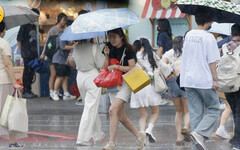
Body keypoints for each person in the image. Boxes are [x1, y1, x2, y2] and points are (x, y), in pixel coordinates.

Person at [180, 8, 220, 150]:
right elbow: (212, 61)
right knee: (214, 109)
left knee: (196, 113)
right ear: (208, 21)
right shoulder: (209, 37)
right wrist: (215, 79)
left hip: (188, 79)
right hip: (204, 79)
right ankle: (199, 133)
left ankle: (195, 146)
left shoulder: (189, 35)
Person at [102, 28, 145, 150]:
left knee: (112, 110)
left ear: (121, 36)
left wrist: (117, 66)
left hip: (125, 82)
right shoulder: (108, 47)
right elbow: (105, 68)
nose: (111, 39)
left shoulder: (129, 49)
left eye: (114, 36)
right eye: (109, 37)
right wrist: (106, 55)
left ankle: (111, 143)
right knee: (121, 117)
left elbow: (132, 68)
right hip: (113, 83)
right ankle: (139, 136)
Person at [72, 36, 105, 145]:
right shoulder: (94, 47)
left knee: (90, 106)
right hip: (92, 76)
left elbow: (73, 62)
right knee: (90, 107)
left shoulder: (76, 48)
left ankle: (97, 135)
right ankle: (82, 138)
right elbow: (101, 64)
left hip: (80, 76)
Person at [130, 38, 162, 143]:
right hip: (150, 86)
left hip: (138, 86)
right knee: (155, 112)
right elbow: (161, 66)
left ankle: (142, 136)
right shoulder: (151, 55)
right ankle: (149, 130)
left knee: (143, 115)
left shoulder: (133, 56)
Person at [0, 21, 26, 149]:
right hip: (3, 81)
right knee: (8, 111)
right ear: (3, 30)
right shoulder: (3, 43)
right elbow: (7, 64)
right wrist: (15, 82)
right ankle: (12, 141)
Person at [162, 36, 190, 145]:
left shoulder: (170, 53)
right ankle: (186, 127)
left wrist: (170, 71)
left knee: (178, 111)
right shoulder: (187, 52)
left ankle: (179, 137)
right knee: (187, 110)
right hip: (185, 81)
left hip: (173, 81)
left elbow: (162, 64)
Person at [40, 13, 67, 99]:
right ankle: (51, 91)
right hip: (52, 54)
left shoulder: (65, 29)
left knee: (60, 74)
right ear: (59, 19)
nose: (65, 22)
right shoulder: (53, 30)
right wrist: (43, 53)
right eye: (64, 20)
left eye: (65, 20)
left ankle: (57, 91)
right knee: (53, 73)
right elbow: (46, 42)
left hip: (61, 56)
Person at [222, 23, 240, 150]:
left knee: (235, 111)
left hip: (227, 84)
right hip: (239, 83)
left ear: (231, 34)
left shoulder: (225, 46)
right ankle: (237, 142)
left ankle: (235, 138)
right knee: (239, 113)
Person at [51, 19, 76, 101]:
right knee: (60, 77)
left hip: (64, 60)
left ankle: (66, 93)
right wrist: (73, 46)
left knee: (65, 76)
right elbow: (63, 47)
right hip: (59, 59)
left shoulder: (67, 35)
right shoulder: (62, 35)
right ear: (66, 26)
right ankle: (55, 93)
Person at [17, 8, 39, 99]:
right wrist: (22, 52)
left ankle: (29, 90)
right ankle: (26, 91)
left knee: (31, 73)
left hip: (33, 53)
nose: (37, 18)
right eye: (36, 16)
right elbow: (19, 40)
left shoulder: (34, 26)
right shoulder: (24, 26)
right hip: (26, 53)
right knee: (27, 72)